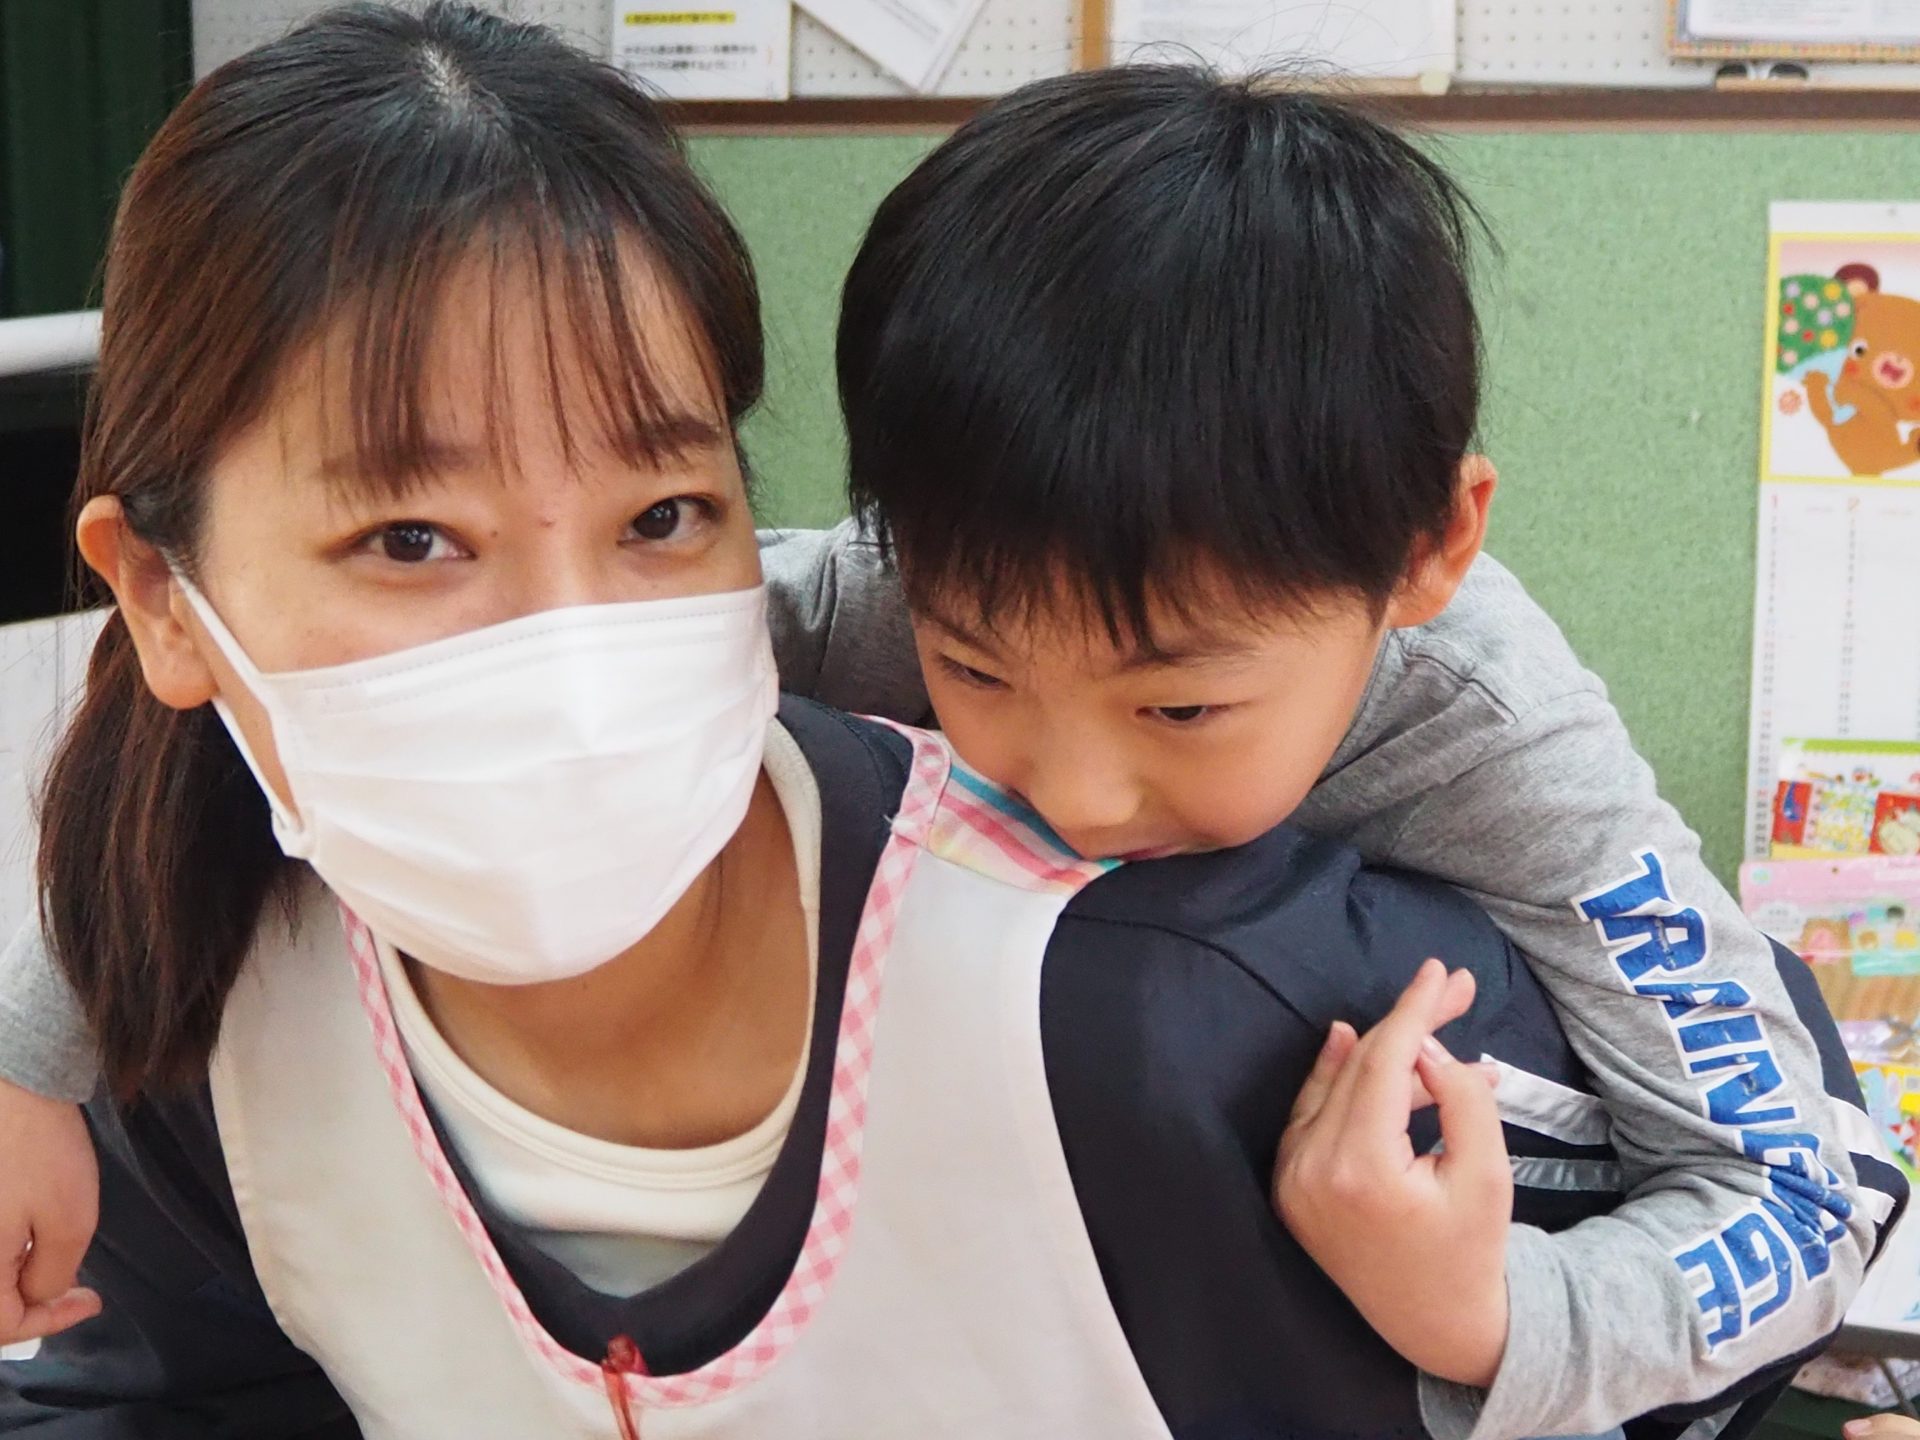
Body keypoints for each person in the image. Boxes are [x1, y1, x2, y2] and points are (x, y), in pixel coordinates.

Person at [0, 9, 1901, 1439]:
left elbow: (1805, 1187)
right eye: (977, 666)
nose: (1071, 781)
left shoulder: (1498, 734)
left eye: (1181, 699)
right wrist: (32, 1057)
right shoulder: (834, 602)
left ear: (1429, 550)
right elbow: (255, 720)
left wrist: (1499, 1320)